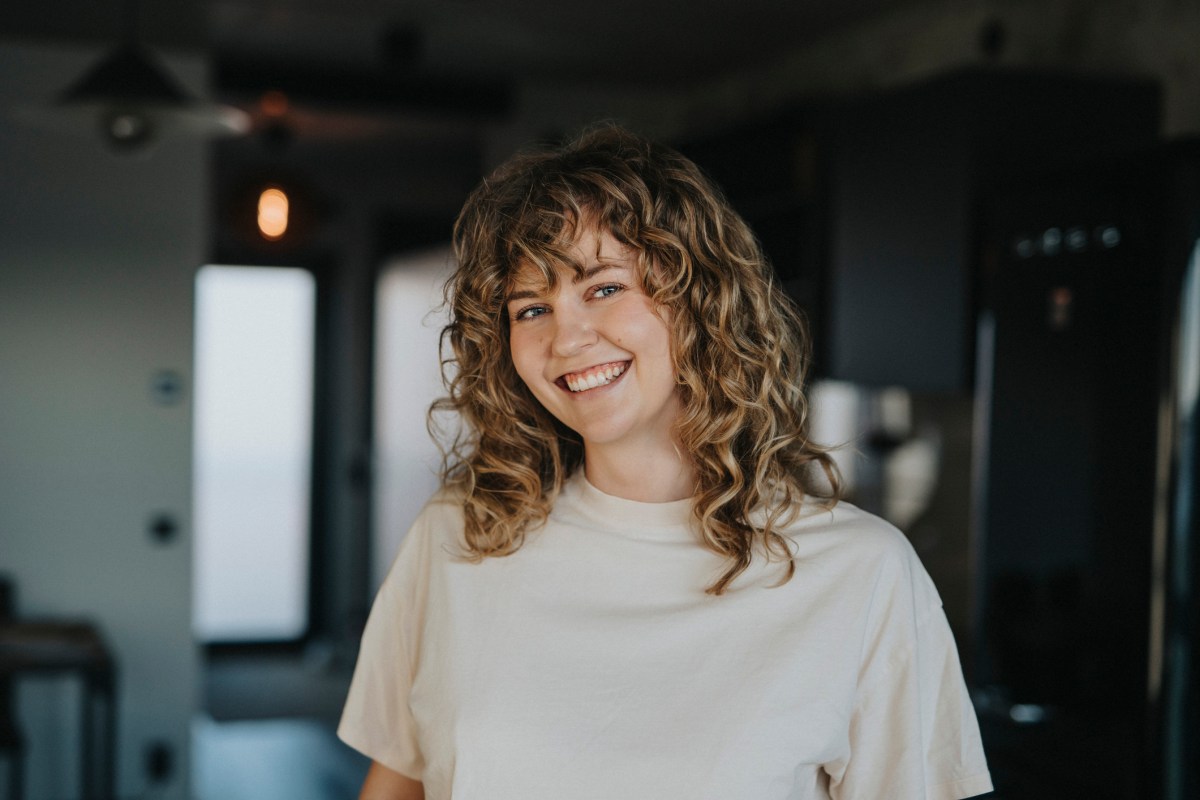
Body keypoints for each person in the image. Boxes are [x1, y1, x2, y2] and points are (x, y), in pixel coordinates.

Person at [339, 124, 993, 800]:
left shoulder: (864, 574)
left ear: (699, 297)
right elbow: (397, 783)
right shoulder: (456, 538)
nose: (566, 338)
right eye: (531, 308)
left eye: (603, 289)